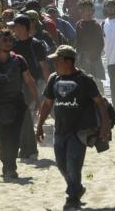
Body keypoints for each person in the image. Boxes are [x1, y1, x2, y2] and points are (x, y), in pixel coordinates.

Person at [36, 45, 110, 210]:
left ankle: (72, 198)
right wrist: (39, 125)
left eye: (57, 60)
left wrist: (104, 126)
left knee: (73, 165)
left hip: (79, 132)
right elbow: (47, 104)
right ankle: (77, 189)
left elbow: (100, 103)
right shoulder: (54, 79)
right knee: (62, 165)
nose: (54, 64)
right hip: (59, 131)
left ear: (67, 61)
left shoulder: (85, 80)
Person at [0, 29, 39, 179]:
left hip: (17, 105)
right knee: (3, 138)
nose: (8, 43)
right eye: (5, 40)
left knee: (14, 137)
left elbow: (29, 81)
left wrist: (37, 101)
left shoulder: (19, 60)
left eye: (11, 40)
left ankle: (10, 167)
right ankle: (6, 164)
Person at [11, 14, 48, 160]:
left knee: (25, 113)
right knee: (21, 116)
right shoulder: (12, 44)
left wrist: (49, 84)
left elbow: (44, 66)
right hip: (18, 84)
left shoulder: (36, 44)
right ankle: (25, 148)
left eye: (17, 27)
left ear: (25, 28)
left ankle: (30, 149)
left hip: (35, 83)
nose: (15, 30)